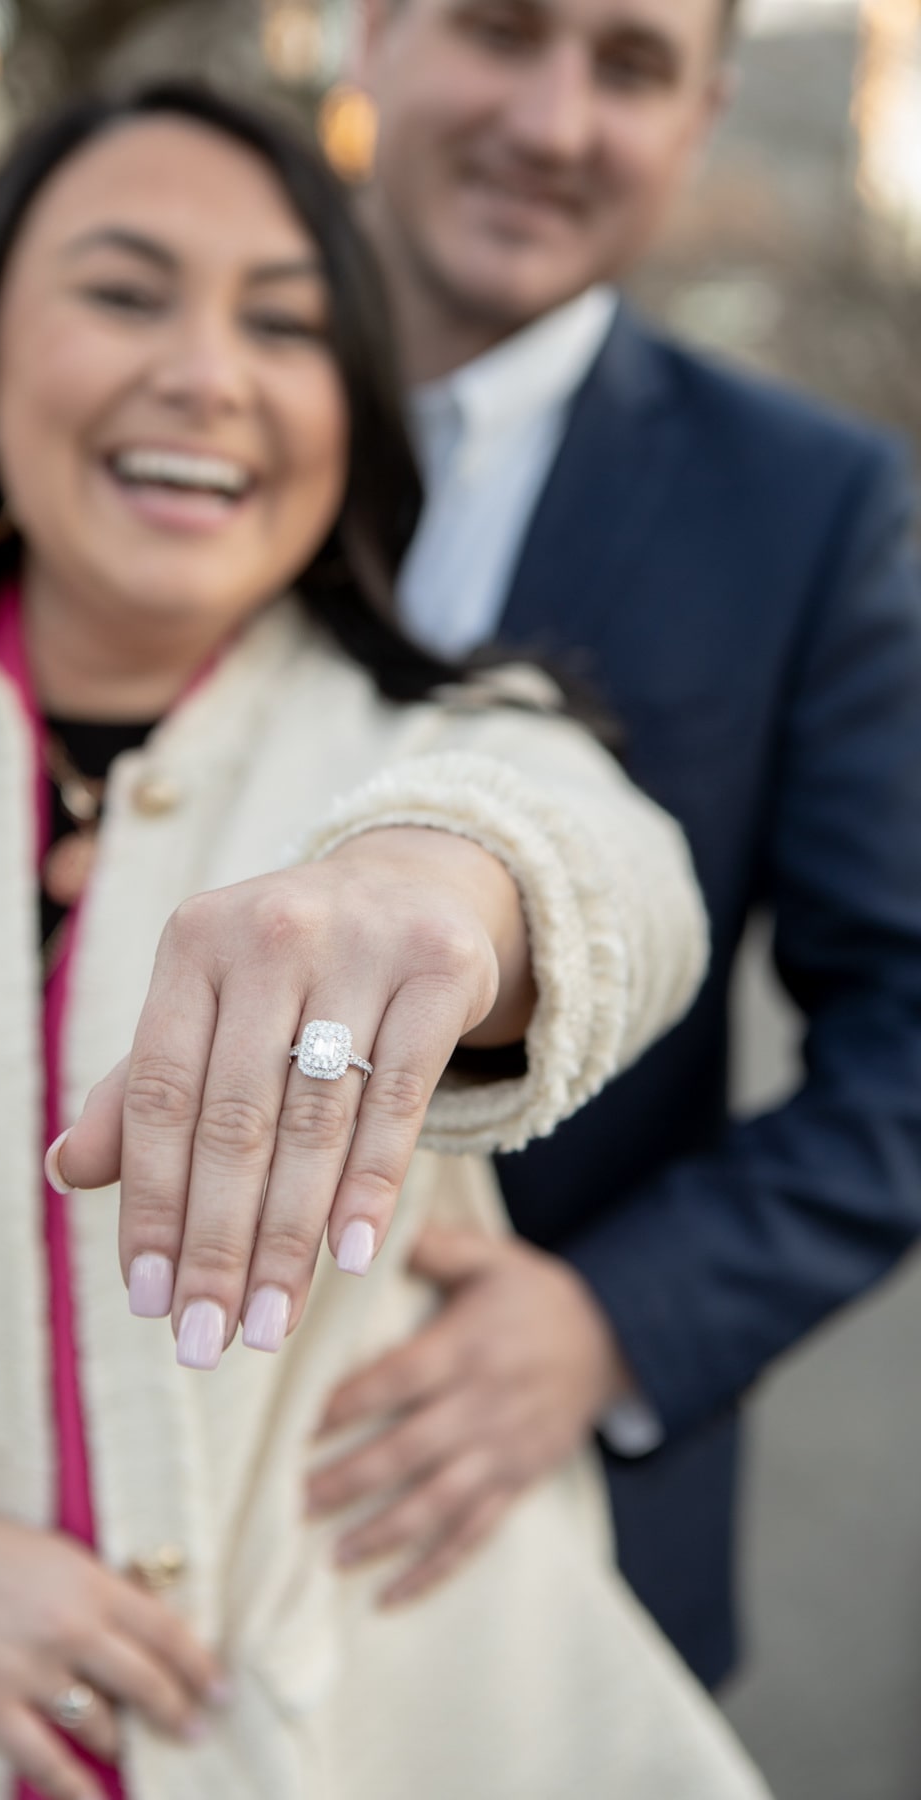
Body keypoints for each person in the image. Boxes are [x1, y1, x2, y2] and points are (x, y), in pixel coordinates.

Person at [0, 81, 769, 1800]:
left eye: (283, 323)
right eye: (127, 293)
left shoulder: (456, 744)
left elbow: (612, 875)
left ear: (344, 412)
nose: (207, 371)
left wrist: (442, 893)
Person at [306, 0, 921, 1690]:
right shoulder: (157, 414)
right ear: (372, 38)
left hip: (553, 1555)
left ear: (706, 117)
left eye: (632, 67)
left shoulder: (812, 510)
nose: (557, 120)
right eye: (502, 32)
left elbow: (908, 1038)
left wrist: (615, 1324)